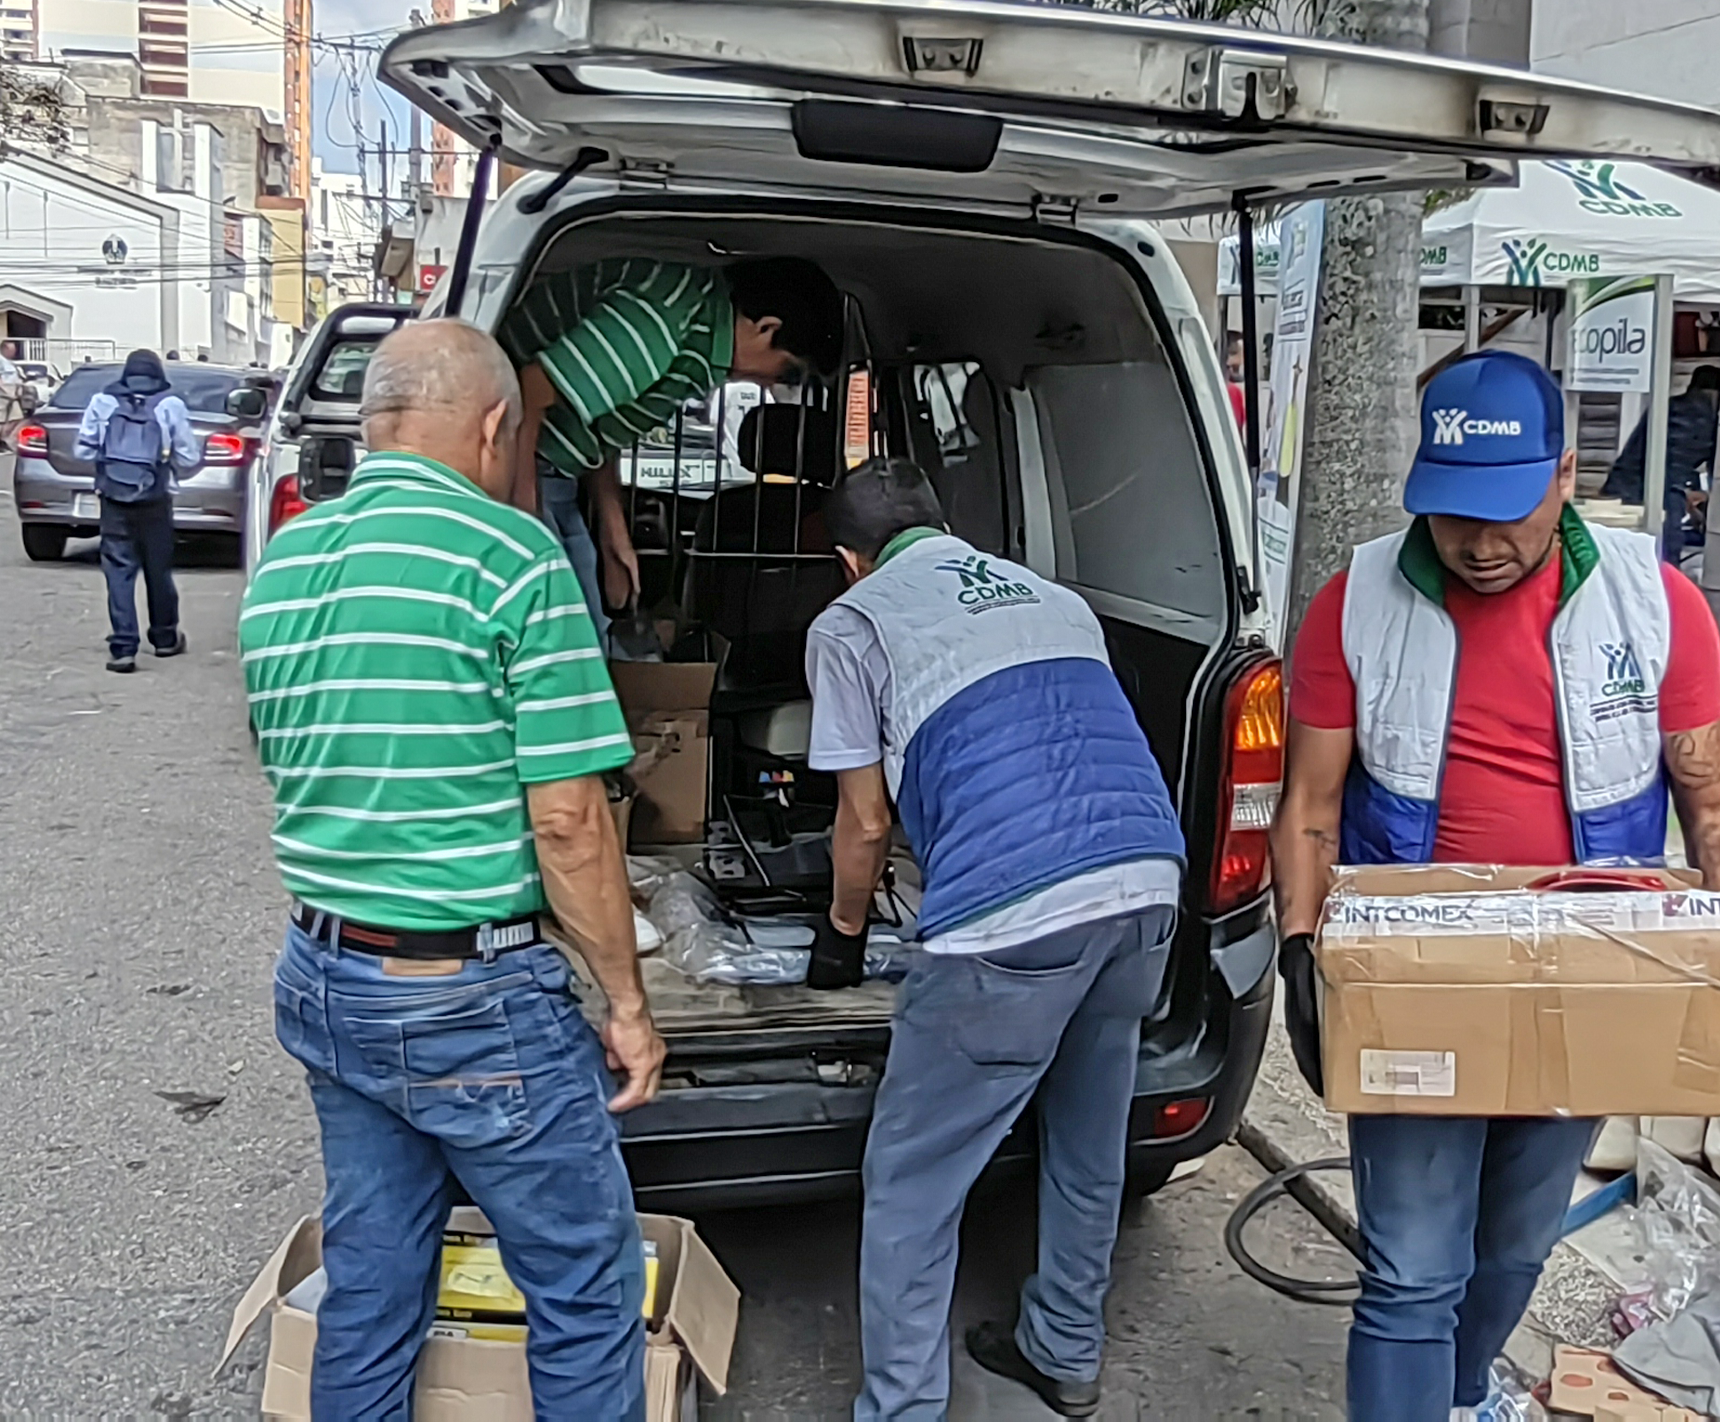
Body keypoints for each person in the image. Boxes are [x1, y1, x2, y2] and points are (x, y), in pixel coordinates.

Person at [1270, 351, 1720, 1422]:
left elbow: (1712, 800)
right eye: (1454, 513)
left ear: (1564, 475)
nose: (1480, 544)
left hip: (1590, 967)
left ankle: (1456, 1393)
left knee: (1511, 1246)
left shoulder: (1654, 601)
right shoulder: (1355, 600)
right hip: (1415, 970)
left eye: (1506, 513)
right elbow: (1310, 803)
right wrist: (1304, 950)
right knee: (1410, 1264)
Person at [241, 320, 663, 1416]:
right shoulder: (511, 556)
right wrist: (625, 1001)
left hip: (327, 974)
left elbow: (291, 755)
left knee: (374, 1280)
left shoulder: (287, 557)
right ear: (491, 427)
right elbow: (570, 820)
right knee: (583, 1281)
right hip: (471, 999)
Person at [802, 458, 1187, 1422]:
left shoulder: (852, 623)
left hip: (1012, 918)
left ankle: (900, 1407)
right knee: (1089, 1133)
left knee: (912, 1178)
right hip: (1146, 883)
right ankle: (1064, 1351)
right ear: (945, 529)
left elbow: (863, 824)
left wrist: (843, 939)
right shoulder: (1057, 599)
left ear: (852, 562)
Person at [499, 255, 845, 622]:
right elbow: (532, 388)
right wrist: (525, 513)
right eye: (789, 372)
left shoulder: (694, 327)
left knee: (585, 625)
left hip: (554, 467)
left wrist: (613, 532)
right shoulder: (661, 322)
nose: (775, 384)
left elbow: (600, 424)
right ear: (766, 328)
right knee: (564, 632)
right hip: (520, 457)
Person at [76, 348, 201, 673]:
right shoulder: (170, 404)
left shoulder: (103, 402)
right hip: (155, 499)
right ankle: (164, 638)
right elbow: (188, 457)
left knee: (118, 570)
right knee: (158, 569)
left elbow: (83, 447)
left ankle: (123, 647)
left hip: (113, 498)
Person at [1600, 363, 1720, 559]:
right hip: (1666, 493)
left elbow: (1637, 449)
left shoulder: (1667, 406)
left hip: (1625, 483)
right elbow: (1713, 467)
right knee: (1665, 554)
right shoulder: (1711, 417)